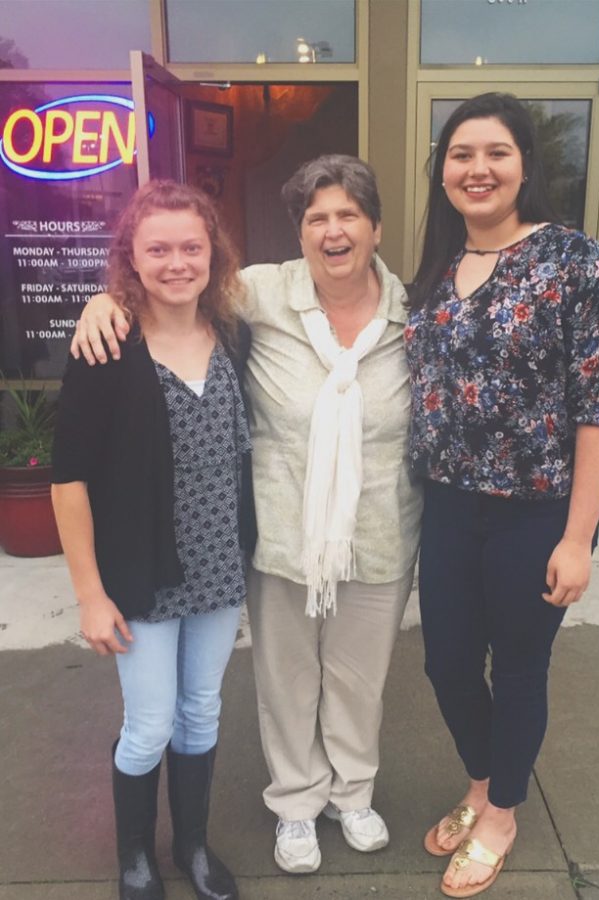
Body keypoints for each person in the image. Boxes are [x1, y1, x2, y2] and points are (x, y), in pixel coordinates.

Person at [70, 155, 423, 875]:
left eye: (348, 215)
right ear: (297, 232)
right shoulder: (233, 304)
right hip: (216, 550)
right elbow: (72, 473)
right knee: (205, 705)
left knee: (289, 693)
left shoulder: (397, 315)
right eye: (316, 217)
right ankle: (234, 824)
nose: (332, 230)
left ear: (376, 227)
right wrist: (101, 299)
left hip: (313, 541)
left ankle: (301, 809)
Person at [405, 93, 599, 898]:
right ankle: (480, 777)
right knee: (446, 663)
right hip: (451, 509)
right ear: (443, 172)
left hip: (537, 510)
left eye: (495, 152)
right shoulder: (433, 270)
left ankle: (500, 811)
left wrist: (578, 537)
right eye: (461, 155)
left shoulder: (575, 262)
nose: (478, 169)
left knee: (521, 666)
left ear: (525, 165)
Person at [52, 180, 251, 900]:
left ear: (213, 254)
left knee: (202, 710)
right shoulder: (106, 347)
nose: (176, 262)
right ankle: (134, 857)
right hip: (140, 575)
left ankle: (192, 847)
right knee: (149, 722)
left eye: (191, 246)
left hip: (219, 569)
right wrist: (89, 595)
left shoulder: (234, 334)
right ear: (130, 259)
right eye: (158, 248)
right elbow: (68, 479)